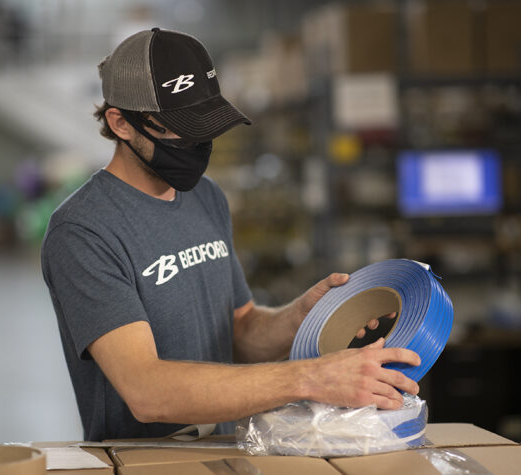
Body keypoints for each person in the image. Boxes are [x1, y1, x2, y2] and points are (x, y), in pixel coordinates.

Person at [40, 28, 420, 442]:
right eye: (181, 131)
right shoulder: (84, 231)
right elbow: (147, 391)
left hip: (226, 445)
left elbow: (238, 331)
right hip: (144, 460)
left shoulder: (206, 197)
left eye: (206, 129)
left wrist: (301, 318)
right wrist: (312, 377)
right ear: (121, 124)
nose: (199, 145)